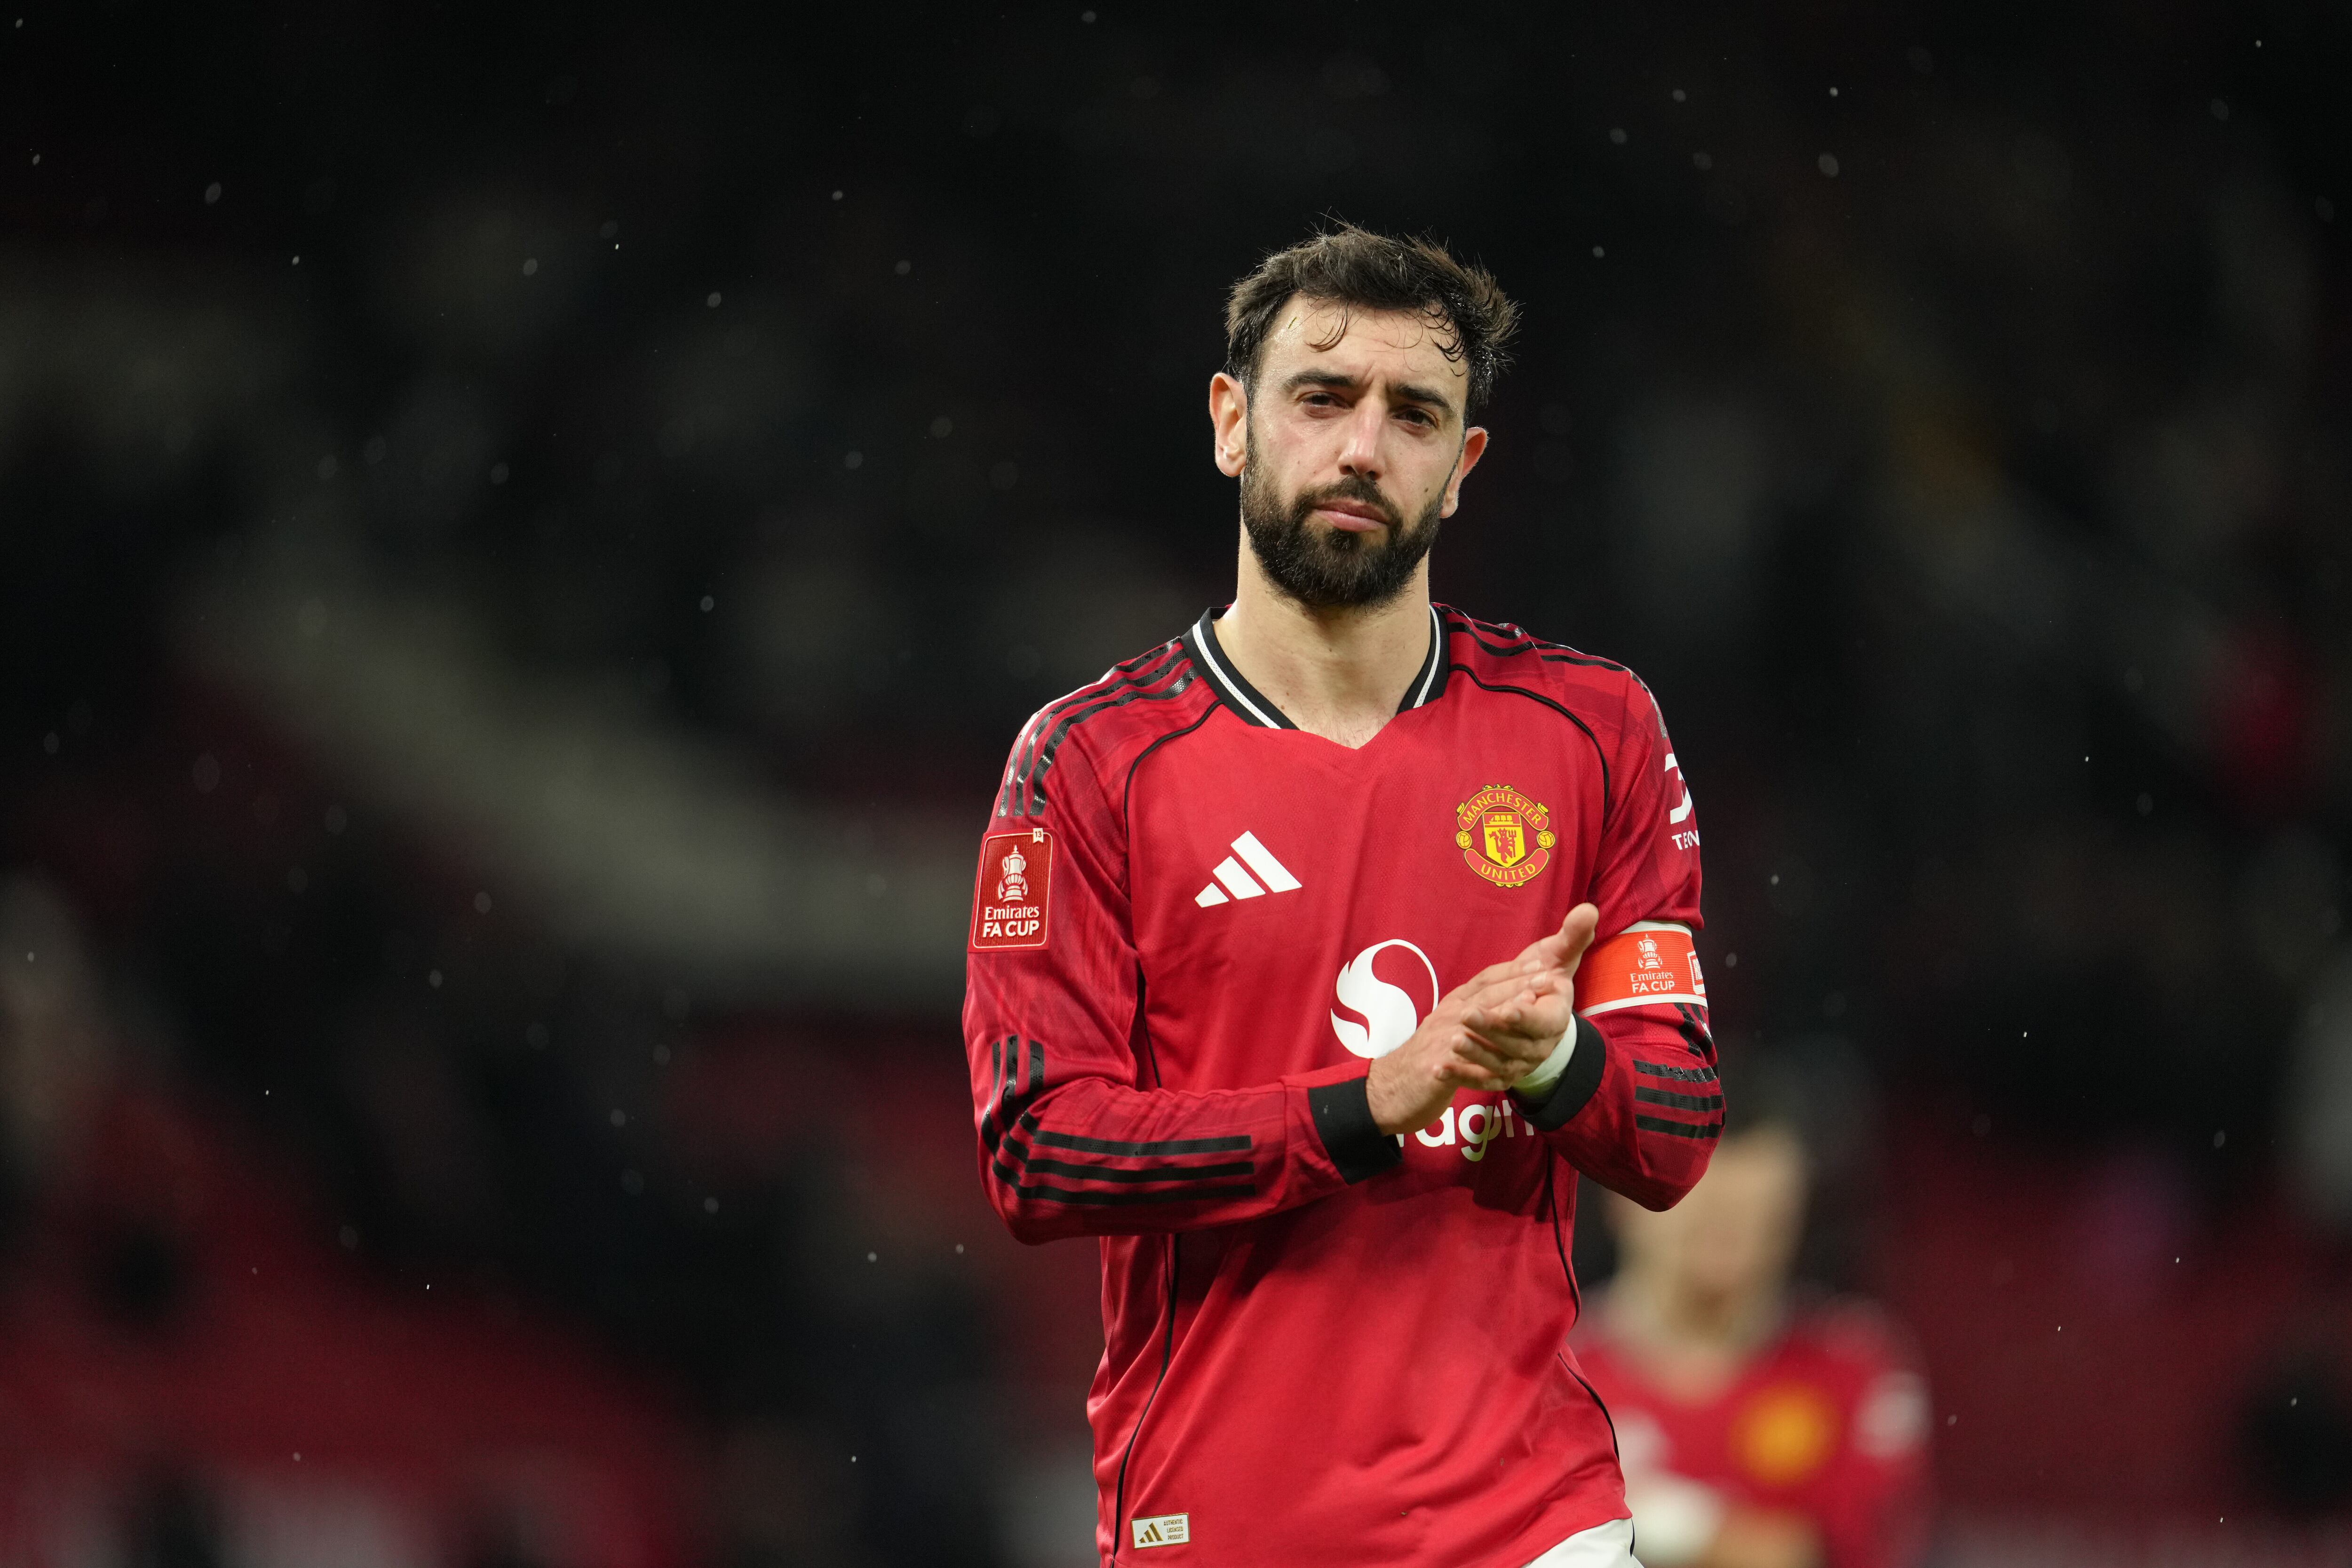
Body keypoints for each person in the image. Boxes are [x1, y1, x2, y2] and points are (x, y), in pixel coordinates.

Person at [961, 224, 1720, 1568]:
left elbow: (1669, 1135)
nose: (1365, 445)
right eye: (1322, 397)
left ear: (1463, 465)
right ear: (1231, 423)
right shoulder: (1087, 763)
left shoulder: (1595, 731)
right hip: (1226, 1515)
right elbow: (1040, 1147)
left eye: (1415, 412)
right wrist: (1368, 1105)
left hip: (1530, 1517)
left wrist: (1550, 1056)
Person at [1573, 1094, 1931, 1568]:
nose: (1728, 1247)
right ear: (1619, 1200)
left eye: (1756, 1220)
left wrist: (1625, 1513)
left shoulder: (1852, 1366)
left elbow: (1817, 1555)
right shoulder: (1545, 1373)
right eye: (1703, 1214)